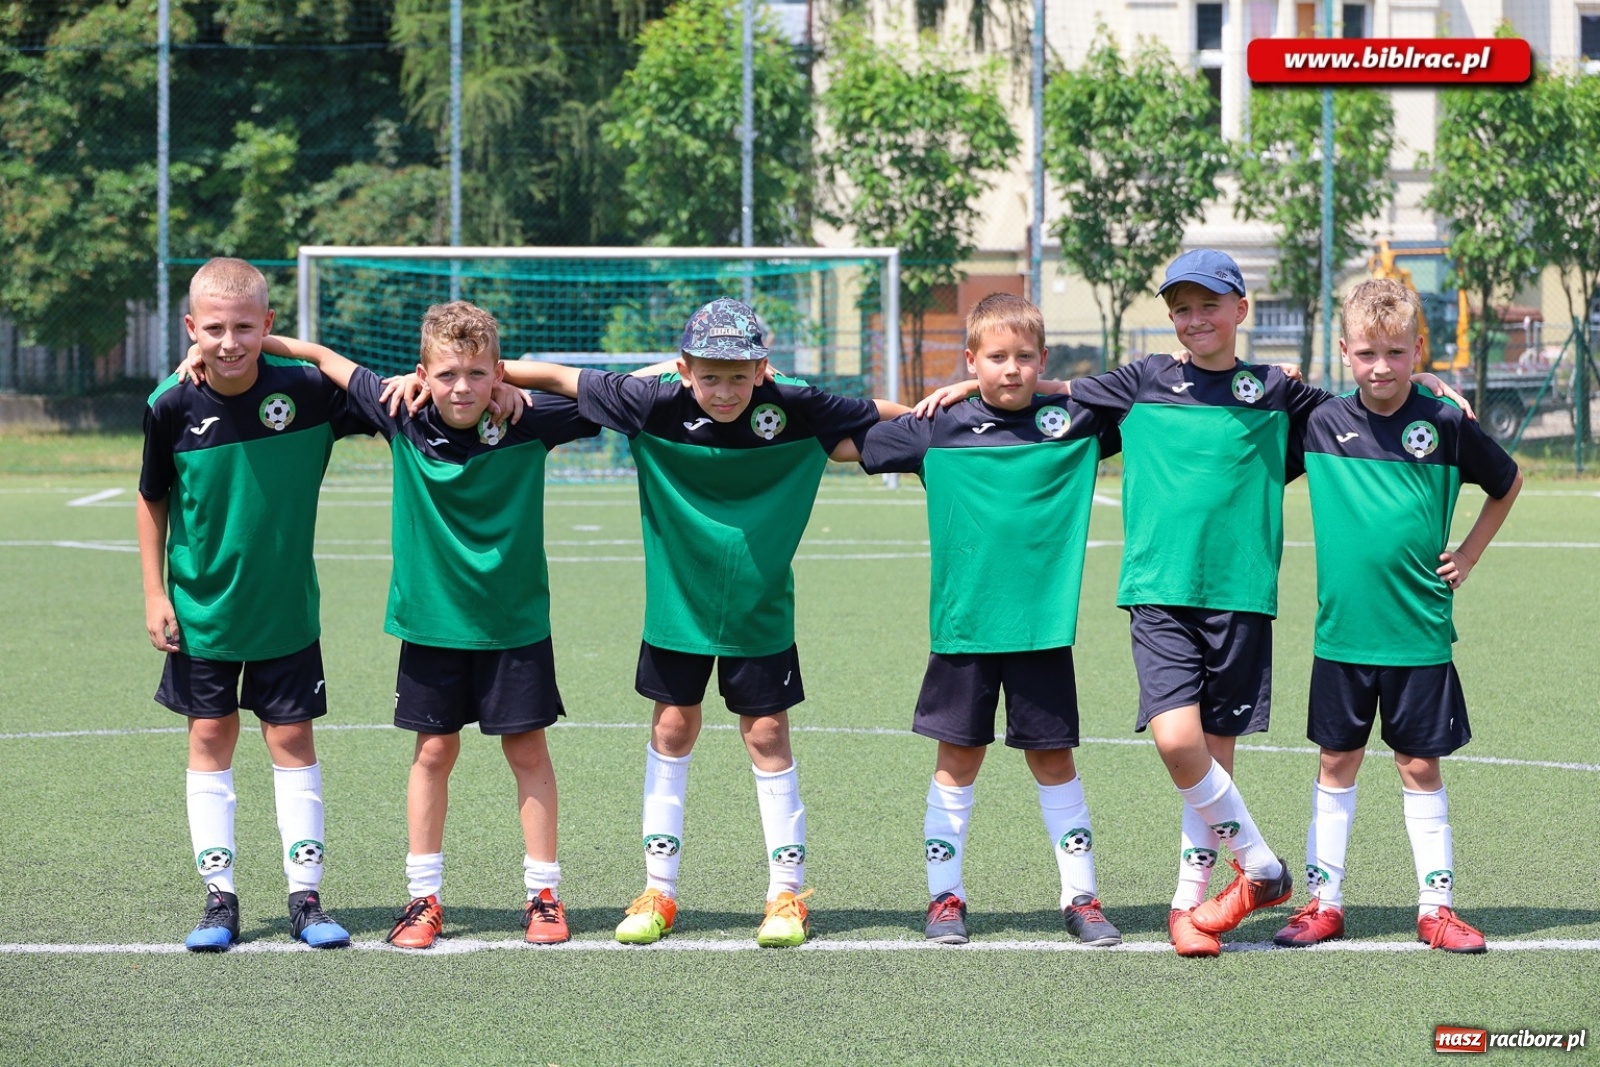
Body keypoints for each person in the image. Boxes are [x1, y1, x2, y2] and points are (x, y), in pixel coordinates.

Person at [917, 250, 1470, 956]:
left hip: (1241, 598)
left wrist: (1422, 381)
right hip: (1159, 592)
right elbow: (1042, 386)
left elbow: (1368, 395)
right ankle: (1263, 864)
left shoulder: (1276, 390)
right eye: (1181, 306)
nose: (1195, 318)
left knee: (1214, 757)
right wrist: (972, 380)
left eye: (1210, 304)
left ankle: (1190, 904)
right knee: (1178, 742)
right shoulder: (1143, 379)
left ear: (1242, 309)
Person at [497, 297, 906, 947]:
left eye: (738, 377)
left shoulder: (796, 402)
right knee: (670, 725)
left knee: (767, 734)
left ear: (763, 371)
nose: (723, 390)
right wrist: (486, 372)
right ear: (684, 369)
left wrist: (946, 417)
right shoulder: (649, 401)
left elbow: (875, 418)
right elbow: (559, 377)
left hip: (759, 606)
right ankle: (659, 890)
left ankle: (786, 896)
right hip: (677, 606)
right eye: (709, 375)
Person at [239, 301, 598, 949]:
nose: (461, 387)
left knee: (527, 751)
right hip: (430, 625)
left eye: (477, 373)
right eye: (448, 373)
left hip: (513, 625)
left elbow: (615, 389)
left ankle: (543, 894)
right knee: (433, 752)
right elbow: (321, 357)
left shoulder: (528, 418)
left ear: (496, 373)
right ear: (423, 374)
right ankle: (424, 898)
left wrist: (513, 377)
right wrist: (221, 354)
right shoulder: (401, 410)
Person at [856, 293, 1124, 947]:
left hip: (1041, 630)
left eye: (1025, 358)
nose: (1012, 370)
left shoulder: (1075, 419)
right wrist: (929, 399)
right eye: (995, 358)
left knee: (1054, 761)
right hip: (964, 628)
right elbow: (844, 437)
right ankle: (945, 898)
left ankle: (1081, 897)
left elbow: (1147, 394)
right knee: (957, 758)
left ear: (1044, 360)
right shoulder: (935, 427)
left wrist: (1059, 385)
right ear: (971, 358)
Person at [1272, 279, 1521, 953]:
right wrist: (1280, 379)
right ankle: (1324, 902)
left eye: (1396, 352)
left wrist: (1468, 551)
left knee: (1419, 765)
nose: (1380, 367)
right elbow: (1253, 448)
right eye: (1367, 353)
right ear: (1345, 350)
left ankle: (1436, 907)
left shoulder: (1444, 422)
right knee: (1336, 759)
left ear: (1418, 349)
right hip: (1343, 634)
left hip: (1418, 633)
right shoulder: (1321, 424)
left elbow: (1507, 480)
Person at [137, 257, 356, 951]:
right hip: (204, 613)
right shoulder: (169, 404)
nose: (229, 342)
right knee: (209, 737)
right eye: (213, 329)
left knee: (291, 740)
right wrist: (153, 591)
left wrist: (305, 348)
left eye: (244, 327)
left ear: (267, 324)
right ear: (190, 328)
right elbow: (153, 498)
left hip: (285, 609)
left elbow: (382, 393)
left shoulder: (309, 391)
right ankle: (219, 897)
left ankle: (306, 896)